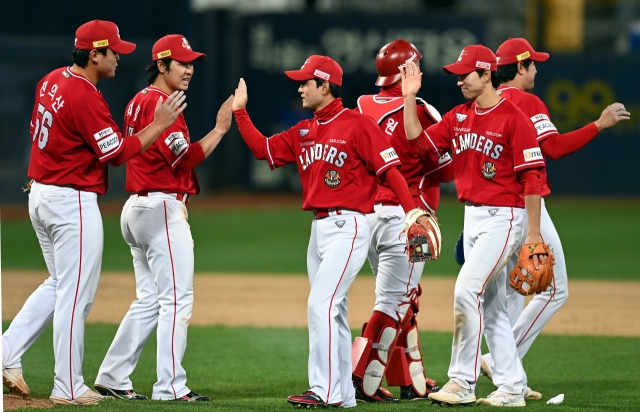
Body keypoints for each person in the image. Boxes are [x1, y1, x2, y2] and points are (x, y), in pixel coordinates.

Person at [1, 20, 186, 406]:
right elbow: (116, 154)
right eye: (113, 51)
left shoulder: (51, 79)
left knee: (57, 283)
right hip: (71, 202)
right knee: (75, 295)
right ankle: (67, 386)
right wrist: (158, 125)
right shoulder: (85, 95)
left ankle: (5, 355)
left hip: (40, 195)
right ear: (94, 54)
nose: (119, 57)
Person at [232, 55, 433, 408]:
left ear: (325, 86)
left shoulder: (358, 125)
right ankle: (341, 394)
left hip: (349, 227)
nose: (300, 87)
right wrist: (240, 113)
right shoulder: (304, 129)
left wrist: (412, 210)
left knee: (320, 303)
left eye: (306, 82)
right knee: (334, 310)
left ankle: (321, 390)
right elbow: (263, 150)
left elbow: (390, 172)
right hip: (318, 230)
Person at [478, 38, 630, 399]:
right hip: (525, 205)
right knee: (555, 289)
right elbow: (555, 148)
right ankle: (500, 361)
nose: (536, 69)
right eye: (532, 64)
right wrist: (599, 123)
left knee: (516, 291)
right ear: (518, 67)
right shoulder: (526, 101)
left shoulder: (483, 104)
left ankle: (508, 374)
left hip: (490, 209)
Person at [402, 44, 549, 407]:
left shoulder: (514, 118)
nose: (459, 82)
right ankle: (512, 387)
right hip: (473, 217)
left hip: (505, 217)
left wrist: (533, 234)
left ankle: (462, 380)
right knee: (496, 308)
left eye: (465, 75)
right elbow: (417, 144)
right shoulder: (457, 117)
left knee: (467, 290)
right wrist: (409, 99)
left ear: (486, 75)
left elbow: (533, 178)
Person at [93, 34, 233, 402]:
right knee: (177, 301)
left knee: (150, 300)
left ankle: (112, 375)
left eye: (191, 63)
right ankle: (170, 387)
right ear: (161, 64)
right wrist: (219, 129)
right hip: (160, 209)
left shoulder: (139, 99)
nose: (189, 69)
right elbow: (183, 159)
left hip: (137, 209)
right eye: (182, 63)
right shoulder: (162, 104)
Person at [351, 39, 453, 402]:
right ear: (407, 70)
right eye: (417, 64)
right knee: (395, 302)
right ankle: (360, 377)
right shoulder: (423, 110)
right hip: (406, 216)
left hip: (369, 216)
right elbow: (443, 171)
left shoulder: (361, 105)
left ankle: (413, 379)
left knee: (403, 302)